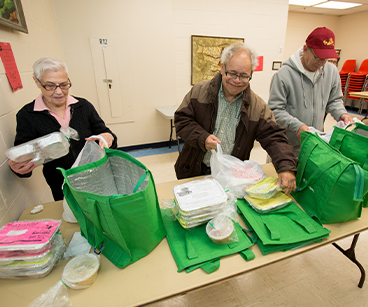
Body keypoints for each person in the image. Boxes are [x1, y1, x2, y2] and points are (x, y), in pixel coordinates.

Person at [174, 42, 298, 194]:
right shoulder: (200, 91)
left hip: (231, 177)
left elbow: (274, 137)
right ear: (222, 67)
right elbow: (181, 120)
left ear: (251, 74)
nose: (237, 80)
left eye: (244, 76)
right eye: (232, 73)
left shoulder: (257, 106)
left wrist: (286, 167)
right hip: (194, 170)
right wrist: (202, 138)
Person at [8, 57, 118, 201]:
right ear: (37, 82)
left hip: (97, 177)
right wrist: (18, 168)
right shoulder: (27, 116)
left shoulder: (83, 106)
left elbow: (106, 135)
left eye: (64, 85)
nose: (59, 92)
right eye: (50, 86)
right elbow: (25, 156)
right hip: (62, 185)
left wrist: (108, 138)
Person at [268, 27, 353, 155]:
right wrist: (297, 126)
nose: (322, 63)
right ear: (305, 49)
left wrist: (342, 114)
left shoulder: (331, 72)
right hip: (286, 146)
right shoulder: (283, 75)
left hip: (315, 144)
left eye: (326, 59)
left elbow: (334, 100)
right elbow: (275, 110)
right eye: (318, 57)